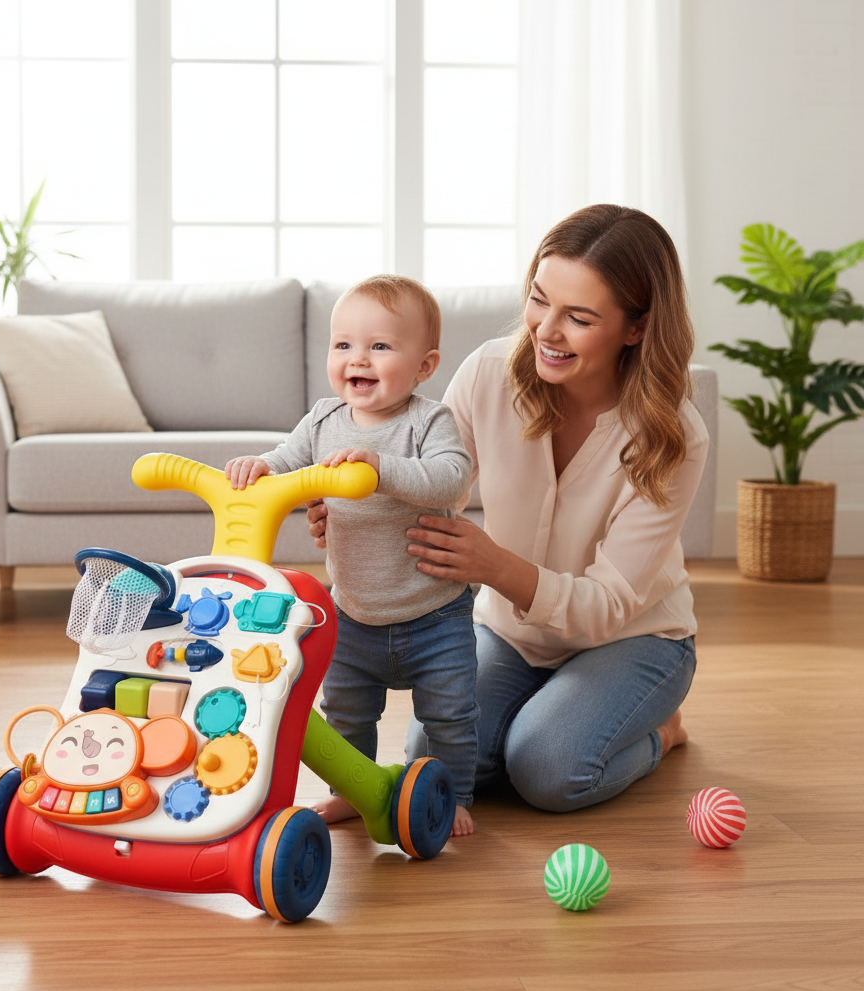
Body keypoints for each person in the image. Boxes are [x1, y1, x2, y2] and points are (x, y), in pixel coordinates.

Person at [308, 205, 707, 813]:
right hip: (512, 631)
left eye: (578, 317)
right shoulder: (490, 374)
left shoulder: (673, 436)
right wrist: (353, 512)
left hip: (632, 638)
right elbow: (434, 486)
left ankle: (661, 731)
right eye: (539, 299)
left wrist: (495, 567)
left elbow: (607, 607)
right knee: (434, 764)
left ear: (634, 327)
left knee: (547, 771)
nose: (547, 330)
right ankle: (553, 706)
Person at [226, 274, 480, 835]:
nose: (356, 359)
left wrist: (379, 469)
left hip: (435, 613)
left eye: (380, 346)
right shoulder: (321, 420)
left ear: (425, 365)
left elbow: (451, 479)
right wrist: (261, 466)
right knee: (345, 717)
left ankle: (457, 794)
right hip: (353, 614)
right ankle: (352, 789)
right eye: (343, 345)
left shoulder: (428, 420)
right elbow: (286, 458)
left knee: (450, 717)